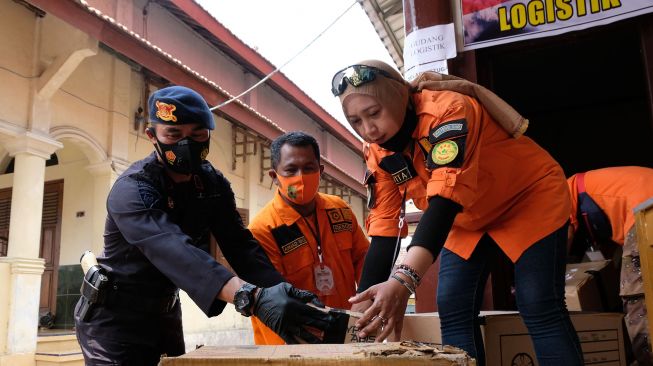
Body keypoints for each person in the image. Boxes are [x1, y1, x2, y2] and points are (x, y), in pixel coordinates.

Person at [331, 60, 583, 365]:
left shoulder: (448, 110)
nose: (369, 129)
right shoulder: (376, 151)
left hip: (527, 199)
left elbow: (445, 200)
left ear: (399, 96)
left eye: (374, 113)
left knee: (538, 303)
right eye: (355, 121)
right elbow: (384, 228)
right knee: (452, 305)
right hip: (468, 218)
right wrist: (364, 307)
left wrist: (403, 282)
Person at [74, 86, 334, 365]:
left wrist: (283, 294)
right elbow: (174, 250)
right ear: (152, 136)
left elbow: (240, 246)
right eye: (174, 135)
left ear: (209, 134)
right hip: (114, 320)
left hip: (166, 313)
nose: (186, 144)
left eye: (197, 135)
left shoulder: (211, 184)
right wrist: (250, 296)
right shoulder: (134, 190)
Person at [248, 131, 370, 344]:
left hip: (347, 331)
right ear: (274, 177)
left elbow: (364, 258)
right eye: (291, 169)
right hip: (294, 341)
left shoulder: (340, 210)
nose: (301, 176)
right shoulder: (262, 230)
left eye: (309, 168)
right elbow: (272, 300)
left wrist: (366, 300)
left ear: (320, 171)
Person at [567, 166, 653, 365]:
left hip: (646, 210)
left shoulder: (557, 192)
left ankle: (647, 359)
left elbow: (563, 236)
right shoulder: (590, 188)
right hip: (643, 206)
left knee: (636, 296)